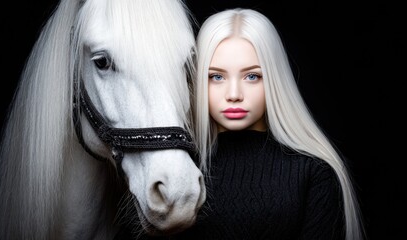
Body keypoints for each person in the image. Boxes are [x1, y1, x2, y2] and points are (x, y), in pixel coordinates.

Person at [117, 7, 365, 240]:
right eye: (216, 76)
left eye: (252, 76)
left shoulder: (313, 174)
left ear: (274, 80)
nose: (234, 93)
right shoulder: (171, 175)